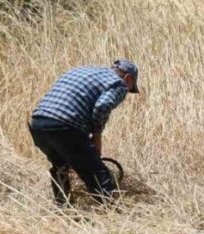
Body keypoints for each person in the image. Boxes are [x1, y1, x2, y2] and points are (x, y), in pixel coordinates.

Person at [28, 60, 140, 205]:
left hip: (38, 123)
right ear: (128, 79)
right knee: (98, 174)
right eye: (131, 88)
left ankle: (63, 208)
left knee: (61, 166)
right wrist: (97, 136)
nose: (127, 90)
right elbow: (102, 106)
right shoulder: (119, 83)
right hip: (65, 126)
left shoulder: (81, 70)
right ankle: (112, 211)